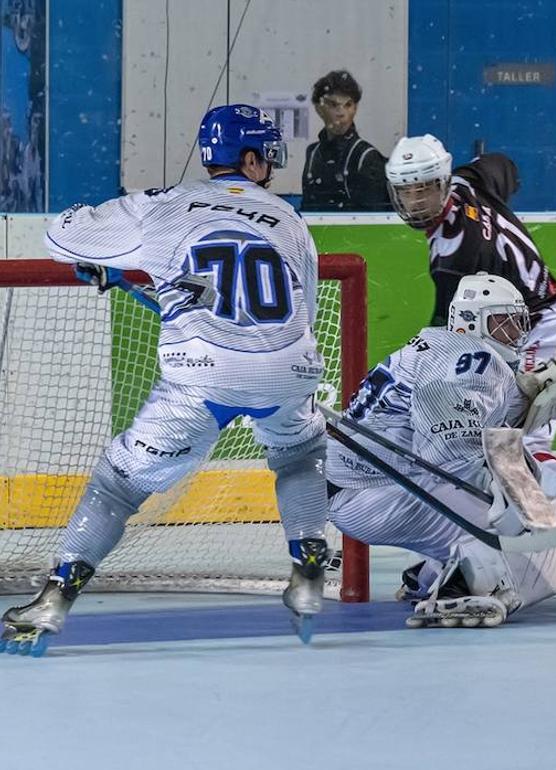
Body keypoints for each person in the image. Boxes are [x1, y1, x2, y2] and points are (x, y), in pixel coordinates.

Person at [1, 105, 332, 654]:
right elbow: (297, 304)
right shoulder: (291, 220)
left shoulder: (165, 205)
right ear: (249, 160)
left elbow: (61, 236)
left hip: (204, 376)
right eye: (266, 157)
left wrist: (110, 256)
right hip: (289, 367)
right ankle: (309, 571)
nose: (269, 168)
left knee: (117, 486)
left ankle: (54, 599)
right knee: (300, 455)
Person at [383, 134, 556, 556]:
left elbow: (448, 334)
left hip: (529, 333)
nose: (416, 202)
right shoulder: (472, 181)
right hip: (534, 322)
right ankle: (538, 525)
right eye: (406, 191)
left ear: (443, 182)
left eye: (425, 188)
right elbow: (502, 164)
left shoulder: (457, 255)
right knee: (500, 443)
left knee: (511, 445)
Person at [326, 273, 556, 628]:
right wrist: (533, 515)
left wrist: (529, 395)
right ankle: (457, 588)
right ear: (472, 321)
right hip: (381, 491)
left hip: (364, 491)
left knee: (519, 508)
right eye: (503, 321)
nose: (515, 333)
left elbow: (480, 429)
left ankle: (429, 574)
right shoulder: (469, 355)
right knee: (544, 553)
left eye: (518, 322)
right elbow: (450, 454)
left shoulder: (444, 349)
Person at [301, 70, 390, 211]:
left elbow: (376, 220)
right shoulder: (312, 153)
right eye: (333, 105)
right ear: (319, 108)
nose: (341, 113)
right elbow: (307, 209)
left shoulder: (367, 157)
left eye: (348, 105)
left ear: (355, 108)